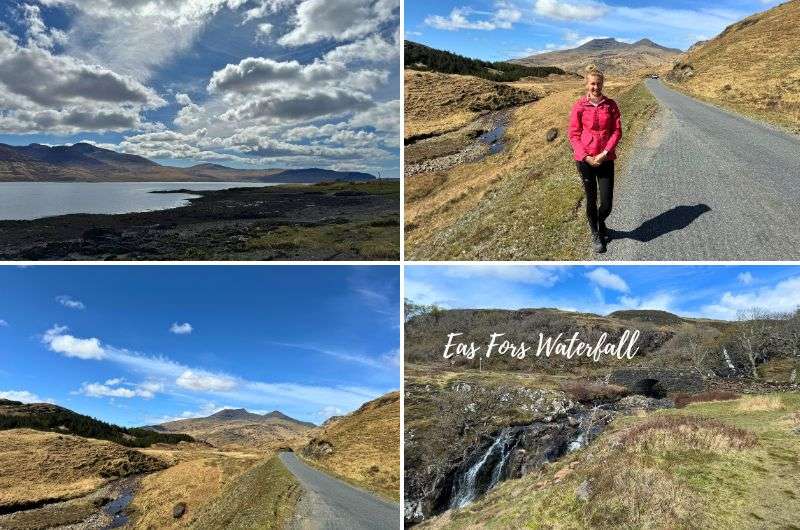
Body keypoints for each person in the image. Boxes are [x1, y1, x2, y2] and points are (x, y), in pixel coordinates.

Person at [568, 66, 622, 253]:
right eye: (592, 83)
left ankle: (600, 223)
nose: (595, 87)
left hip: (606, 159)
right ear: (587, 84)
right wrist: (586, 156)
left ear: (603, 84)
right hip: (585, 161)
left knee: (606, 203)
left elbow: (617, 131)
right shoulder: (579, 106)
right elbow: (574, 135)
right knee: (591, 200)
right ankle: (595, 233)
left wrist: (605, 152)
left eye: (598, 84)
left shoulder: (611, 105)